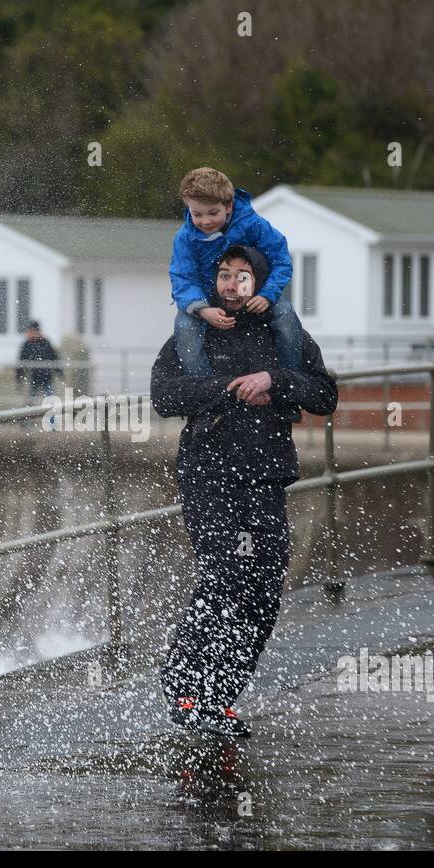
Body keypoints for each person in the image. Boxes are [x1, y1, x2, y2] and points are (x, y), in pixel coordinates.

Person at [150, 243, 338, 737]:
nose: (232, 285)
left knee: (264, 587)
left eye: (243, 276)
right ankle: (183, 686)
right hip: (207, 473)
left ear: (260, 282)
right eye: (224, 275)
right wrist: (230, 385)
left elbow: (325, 394)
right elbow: (164, 396)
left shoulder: (284, 333)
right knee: (226, 574)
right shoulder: (195, 333)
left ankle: (219, 698)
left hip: (267, 475)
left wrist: (274, 380)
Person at [170, 167, 302, 380]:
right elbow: (182, 277)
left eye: (213, 213)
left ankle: (289, 379)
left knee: (286, 314)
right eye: (197, 214)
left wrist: (268, 294)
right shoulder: (184, 238)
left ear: (228, 205)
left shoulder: (253, 225)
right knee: (184, 325)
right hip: (207, 301)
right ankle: (206, 387)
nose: (205, 221)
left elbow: (281, 260)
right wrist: (203, 310)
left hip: (254, 297)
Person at [15, 320, 62, 400]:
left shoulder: (45, 343)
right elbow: (21, 362)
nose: (29, 334)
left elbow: (54, 358)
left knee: (50, 400)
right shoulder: (27, 345)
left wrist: (60, 372)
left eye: (31, 331)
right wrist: (19, 378)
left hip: (46, 378)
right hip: (34, 378)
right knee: (31, 401)